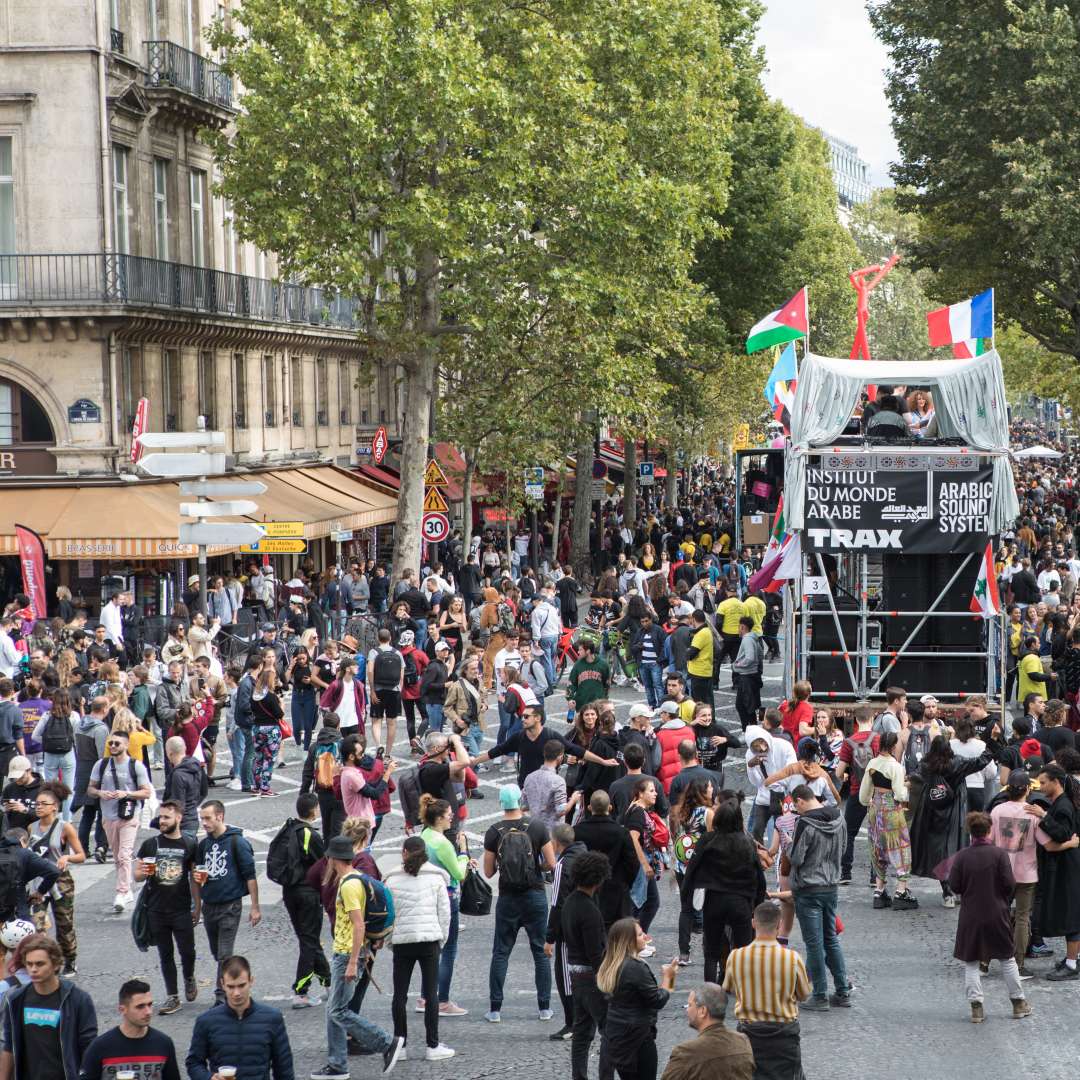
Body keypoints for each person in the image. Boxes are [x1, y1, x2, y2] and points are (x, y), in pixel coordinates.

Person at [311, 835, 404, 1079]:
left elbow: (358, 925)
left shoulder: (348, 885)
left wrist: (353, 961)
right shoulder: (357, 879)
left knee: (338, 1011)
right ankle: (337, 1064)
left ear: (332, 859)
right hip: (348, 952)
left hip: (347, 953)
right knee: (333, 1010)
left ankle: (386, 1043)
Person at [948, 811, 1033, 1022]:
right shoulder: (999, 855)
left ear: (971, 832)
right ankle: (1018, 1003)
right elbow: (1009, 885)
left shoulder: (962, 856)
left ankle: (976, 1008)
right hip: (997, 913)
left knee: (971, 962)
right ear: (989, 830)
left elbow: (954, 885)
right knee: (1007, 959)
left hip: (970, 915)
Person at [482, 784, 556, 1024]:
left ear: (501, 803)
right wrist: (536, 867)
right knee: (539, 952)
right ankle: (544, 1008)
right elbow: (551, 863)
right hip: (534, 895)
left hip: (508, 898)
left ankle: (495, 1009)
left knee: (501, 952)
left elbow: (489, 871)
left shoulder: (494, 831)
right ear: (520, 801)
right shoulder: (536, 826)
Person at [722, 901, 809, 1080]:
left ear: (753, 923)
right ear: (779, 925)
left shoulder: (736, 957)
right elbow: (803, 994)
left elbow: (728, 988)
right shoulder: (792, 958)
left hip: (749, 1033)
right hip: (784, 1035)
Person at [384, 836, 453, 1061]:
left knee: (399, 995)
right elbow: (445, 913)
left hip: (402, 942)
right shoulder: (436, 878)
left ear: (404, 852)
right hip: (429, 940)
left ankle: (400, 1045)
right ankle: (432, 1045)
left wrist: (390, 941)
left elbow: (387, 915)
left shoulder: (391, 880)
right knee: (431, 994)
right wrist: (441, 939)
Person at [681, 800, 765, 984]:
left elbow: (692, 870)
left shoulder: (708, 840)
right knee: (743, 951)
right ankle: (744, 992)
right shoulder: (747, 843)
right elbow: (760, 879)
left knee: (711, 953)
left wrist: (686, 898)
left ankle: (709, 994)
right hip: (741, 902)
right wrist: (756, 907)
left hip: (714, 901)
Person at [910, 734, 997, 907]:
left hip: (931, 810)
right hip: (954, 809)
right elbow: (981, 761)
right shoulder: (957, 762)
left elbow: (916, 776)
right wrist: (993, 742)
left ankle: (947, 890)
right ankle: (955, 888)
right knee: (954, 848)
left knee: (936, 850)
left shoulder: (927, 765)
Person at [787, 784, 851, 1010]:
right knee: (831, 940)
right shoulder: (839, 817)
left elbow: (796, 858)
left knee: (814, 944)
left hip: (808, 888)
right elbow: (843, 850)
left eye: (796, 806)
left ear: (800, 801)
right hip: (831, 885)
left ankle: (820, 995)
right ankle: (843, 991)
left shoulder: (805, 823)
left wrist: (787, 845)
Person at [0, 934, 96, 1080]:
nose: (33, 969)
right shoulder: (16, 1000)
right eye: (29, 964)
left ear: (56, 964)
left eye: (40, 964)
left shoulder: (78, 1000)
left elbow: (89, 1047)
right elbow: (9, 1046)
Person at [134, 800, 198, 1015]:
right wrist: (144, 872)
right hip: (156, 909)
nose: (162, 821)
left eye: (166, 817)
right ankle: (173, 996)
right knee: (165, 954)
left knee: (187, 951)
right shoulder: (151, 844)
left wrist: (197, 907)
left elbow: (194, 878)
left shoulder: (189, 844)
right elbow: (136, 875)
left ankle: (189, 977)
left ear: (178, 818)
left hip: (181, 908)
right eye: (160, 817)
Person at [185, 956, 294, 1080]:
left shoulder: (272, 1019)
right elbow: (193, 1063)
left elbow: (284, 1069)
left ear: (251, 981)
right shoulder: (206, 1021)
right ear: (222, 984)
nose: (236, 993)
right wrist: (208, 1077)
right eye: (231, 987)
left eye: (242, 985)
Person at [195, 800, 260, 1004]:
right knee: (217, 953)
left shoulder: (237, 843)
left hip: (230, 906)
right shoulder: (204, 845)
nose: (203, 823)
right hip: (209, 905)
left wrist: (255, 907)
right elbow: (197, 875)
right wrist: (197, 907)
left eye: (207, 818)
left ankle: (221, 997)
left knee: (224, 955)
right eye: (202, 819)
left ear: (220, 816)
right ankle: (226, 982)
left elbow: (250, 876)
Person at [597, 918, 676, 1080]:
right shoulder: (635, 968)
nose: (645, 937)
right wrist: (669, 978)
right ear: (629, 941)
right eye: (640, 935)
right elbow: (657, 1000)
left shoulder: (611, 961)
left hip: (617, 1036)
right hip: (638, 1038)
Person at [560, 850, 613, 1080]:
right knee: (608, 1031)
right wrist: (608, 981)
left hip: (574, 973)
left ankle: (579, 1076)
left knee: (582, 1032)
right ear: (599, 878)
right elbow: (595, 953)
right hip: (591, 977)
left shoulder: (570, 902)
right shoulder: (590, 911)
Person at [1025, 763, 1080, 979]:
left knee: (1071, 916)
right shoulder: (1059, 803)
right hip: (1063, 865)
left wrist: (1043, 816)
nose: (1040, 786)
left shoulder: (1064, 805)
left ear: (1056, 782)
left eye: (1044, 782)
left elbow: (1063, 834)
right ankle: (1070, 960)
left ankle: (1072, 964)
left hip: (1067, 866)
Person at [87, 730, 152, 913]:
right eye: (111, 743)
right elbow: (90, 789)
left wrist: (127, 794)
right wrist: (100, 793)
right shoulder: (101, 765)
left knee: (124, 855)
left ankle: (122, 892)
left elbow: (146, 792)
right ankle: (127, 888)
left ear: (126, 745)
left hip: (129, 816)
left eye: (117, 743)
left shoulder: (136, 766)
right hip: (108, 816)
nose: (113, 746)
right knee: (117, 856)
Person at [275, 793, 329, 1009]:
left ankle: (329, 982)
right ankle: (301, 991)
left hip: (289, 892)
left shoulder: (288, 829)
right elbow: (324, 866)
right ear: (314, 810)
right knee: (309, 940)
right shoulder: (311, 835)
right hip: (308, 894)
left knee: (308, 938)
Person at [418, 795, 468, 1016]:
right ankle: (442, 1000)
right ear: (439, 818)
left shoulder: (424, 836)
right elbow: (458, 873)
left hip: (427, 894)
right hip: (447, 897)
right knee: (448, 949)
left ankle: (424, 998)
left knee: (431, 949)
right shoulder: (443, 843)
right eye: (449, 815)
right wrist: (464, 854)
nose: (452, 818)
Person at [26, 783, 83, 977]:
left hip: (61, 882)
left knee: (64, 925)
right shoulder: (31, 827)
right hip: (38, 883)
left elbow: (81, 855)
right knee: (37, 925)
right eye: (36, 804)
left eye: (43, 803)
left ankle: (70, 958)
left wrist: (67, 857)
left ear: (54, 807)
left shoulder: (65, 827)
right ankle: (45, 963)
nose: (38, 807)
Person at [858, 731, 918, 911]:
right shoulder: (896, 767)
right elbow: (899, 793)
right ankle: (901, 891)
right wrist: (907, 787)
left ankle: (879, 890)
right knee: (901, 848)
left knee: (878, 848)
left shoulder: (872, 763)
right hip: (892, 809)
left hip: (875, 810)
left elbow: (863, 795)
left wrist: (870, 800)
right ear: (893, 747)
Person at [79, 978, 181, 1080]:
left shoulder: (163, 1043)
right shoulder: (100, 1047)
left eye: (150, 1005)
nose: (148, 1012)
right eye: (140, 1006)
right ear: (123, 1010)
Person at [990, 769, 1040, 974]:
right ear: (1027, 789)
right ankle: (1018, 963)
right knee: (1022, 917)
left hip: (1001, 872)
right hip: (1027, 872)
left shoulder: (997, 811)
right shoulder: (1032, 813)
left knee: (996, 914)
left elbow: (989, 840)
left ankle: (985, 960)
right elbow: (1045, 842)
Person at [659, 983, 754, 1080]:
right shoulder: (743, 1041)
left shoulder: (686, 1052)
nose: (687, 1010)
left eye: (690, 1005)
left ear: (702, 1011)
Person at [522, 740, 569, 832]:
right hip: (553, 832)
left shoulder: (530, 777)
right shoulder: (558, 781)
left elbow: (524, 806)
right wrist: (574, 799)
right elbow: (561, 811)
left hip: (534, 829)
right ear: (560, 757)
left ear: (544, 754)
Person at [731, 617, 764, 730]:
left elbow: (750, 658)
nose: (738, 629)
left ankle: (747, 730)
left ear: (742, 627)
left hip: (746, 676)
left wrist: (739, 665)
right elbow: (760, 655)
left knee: (742, 705)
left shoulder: (747, 639)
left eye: (738, 627)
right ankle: (752, 728)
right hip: (753, 675)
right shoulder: (754, 638)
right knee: (751, 704)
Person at [685, 611, 714, 714]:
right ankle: (710, 722)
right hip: (704, 670)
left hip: (699, 672)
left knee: (700, 702)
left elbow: (691, 654)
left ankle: (705, 723)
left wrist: (687, 651)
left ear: (693, 619)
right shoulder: (705, 631)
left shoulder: (701, 633)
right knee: (707, 700)